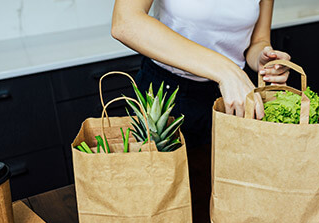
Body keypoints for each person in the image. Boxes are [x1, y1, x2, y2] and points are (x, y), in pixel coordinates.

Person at [112, 0, 291, 147]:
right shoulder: (228, 73)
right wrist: (226, 71)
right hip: (166, 93)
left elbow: (258, 40)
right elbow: (125, 22)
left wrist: (263, 57)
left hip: (230, 98)